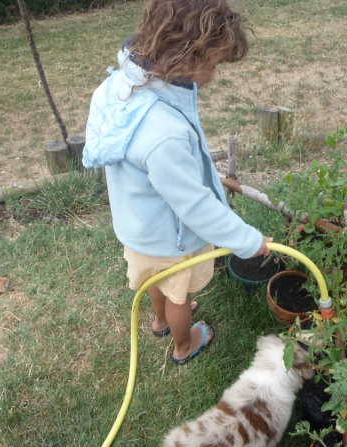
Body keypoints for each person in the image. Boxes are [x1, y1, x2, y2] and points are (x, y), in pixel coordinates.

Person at [82, 0, 271, 366]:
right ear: (185, 54)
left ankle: (158, 321)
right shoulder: (163, 132)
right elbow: (195, 207)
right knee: (179, 294)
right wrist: (250, 242)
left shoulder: (120, 85)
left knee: (156, 281)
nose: (212, 77)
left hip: (138, 229)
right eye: (212, 64)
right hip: (172, 239)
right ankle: (185, 344)